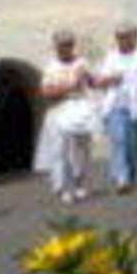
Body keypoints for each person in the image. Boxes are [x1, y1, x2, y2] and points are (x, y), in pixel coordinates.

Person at [34, 30, 103, 204]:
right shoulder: (51, 67)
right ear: (56, 47)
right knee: (60, 150)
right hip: (60, 109)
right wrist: (70, 85)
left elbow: (94, 83)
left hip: (80, 109)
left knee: (81, 148)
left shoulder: (82, 63)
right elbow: (46, 92)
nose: (66, 48)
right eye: (62, 45)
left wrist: (93, 79)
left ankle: (79, 182)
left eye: (69, 45)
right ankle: (63, 187)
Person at [97, 23, 137, 194]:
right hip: (114, 105)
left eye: (127, 36)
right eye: (120, 37)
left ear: (135, 37)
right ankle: (122, 179)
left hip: (136, 106)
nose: (123, 40)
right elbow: (101, 81)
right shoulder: (111, 56)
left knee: (134, 146)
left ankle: (130, 175)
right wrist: (111, 79)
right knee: (119, 140)